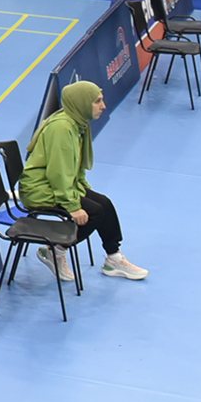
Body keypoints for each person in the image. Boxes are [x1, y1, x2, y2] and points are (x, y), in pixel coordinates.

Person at [21, 81, 148, 282]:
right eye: (97, 101)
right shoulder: (62, 129)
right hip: (39, 190)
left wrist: (82, 187)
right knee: (94, 212)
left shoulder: (77, 123)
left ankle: (113, 259)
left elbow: (73, 167)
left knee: (104, 203)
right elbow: (58, 173)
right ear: (81, 102)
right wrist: (72, 206)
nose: (103, 106)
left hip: (56, 184)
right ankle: (54, 250)